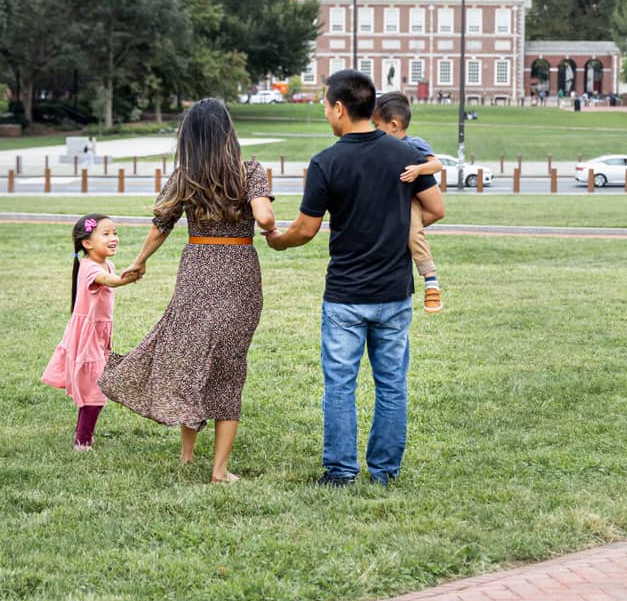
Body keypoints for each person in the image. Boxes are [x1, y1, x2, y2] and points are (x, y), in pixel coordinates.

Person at [267, 70, 445, 487]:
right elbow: (435, 209)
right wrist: (402, 223)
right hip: (395, 291)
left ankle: (341, 471)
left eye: (327, 105)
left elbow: (306, 230)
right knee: (392, 386)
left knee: (341, 387)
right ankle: (384, 472)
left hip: (346, 294)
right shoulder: (404, 154)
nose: (327, 112)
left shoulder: (327, 162)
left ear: (340, 109)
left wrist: (277, 241)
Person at [99, 98, 276, 483]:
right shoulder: (250, 171)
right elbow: (264, 216)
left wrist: (140, 260)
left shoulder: (184, 176)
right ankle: (219, 470)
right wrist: (268, 222)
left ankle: (186, 455)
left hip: (196, 269)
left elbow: (161, 224)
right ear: (229, 132)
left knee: (193, 358)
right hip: (239, 272)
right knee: (230, 367)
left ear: (190, 137)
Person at [41, 214, 142, 450]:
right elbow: (109, 281)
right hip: (87, 335)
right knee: (95, 388)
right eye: (105, 234)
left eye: (115, 232)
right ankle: (83, 441)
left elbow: (111, 276)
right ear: (87, 243)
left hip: (99, 334)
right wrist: (126, 278)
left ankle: (82, 434)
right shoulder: (89, 268)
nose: (113, 237)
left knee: (91, 386)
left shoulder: (108, 263)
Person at [371, 93, 444, 313]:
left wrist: (418, 169)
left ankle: (431, 281)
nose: (374, 129)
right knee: (408, 232)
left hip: (410, 200)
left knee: (413, 232)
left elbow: (437, 164)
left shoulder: (413, 145)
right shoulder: (379, 147)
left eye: (376, 125)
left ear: (393, 125)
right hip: (388, 203)